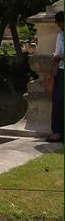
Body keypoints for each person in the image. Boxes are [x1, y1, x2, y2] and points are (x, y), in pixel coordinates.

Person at [46, 11, 64, 143]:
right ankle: (57, 131)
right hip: (61, 71)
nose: (59, 26)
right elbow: (57, 52)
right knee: (57, 100)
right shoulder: (60, 35)